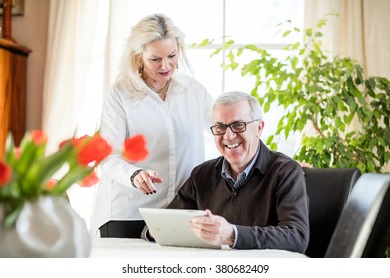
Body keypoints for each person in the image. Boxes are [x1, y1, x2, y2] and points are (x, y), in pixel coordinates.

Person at [91, 13, 214, 238]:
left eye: (172, 56)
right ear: (139, 57)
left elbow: (226, 130)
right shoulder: (120, 94)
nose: (166, 66)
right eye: (155, 59)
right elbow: (107, 158)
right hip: (129, 213)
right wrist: (135, 174)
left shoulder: (193, 91)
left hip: (180, 212)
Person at [159, 91, 310, 252]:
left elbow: (297, 237)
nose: (228, 136)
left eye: (238, 125)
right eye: (220, 127)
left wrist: (232, 234)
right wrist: (157, 232)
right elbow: (163, 225)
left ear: (259, 128)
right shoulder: (202, 174)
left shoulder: (285, 172)